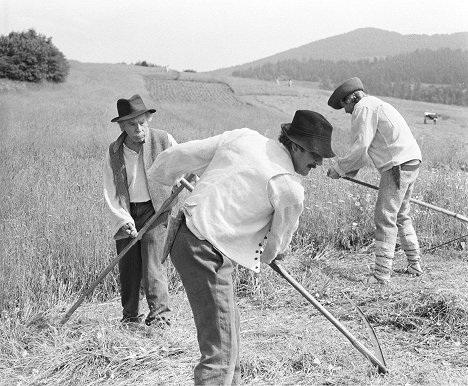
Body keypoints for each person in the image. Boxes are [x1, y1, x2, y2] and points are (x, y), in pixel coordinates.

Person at [148, 110, 335, 385]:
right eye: (314, 153)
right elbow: (277, 244)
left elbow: (185, 154)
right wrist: (272, 254)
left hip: (186, 236)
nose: (319, 161)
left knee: (229, 328)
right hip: (206, 251)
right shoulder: (289, 187)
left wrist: (164, 173)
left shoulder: (244, 138)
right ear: (295, 145)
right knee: (219, 352)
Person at [326, 77, 423, 285]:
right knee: (401, 214)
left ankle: (381, 275)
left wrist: (339, 168)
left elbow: (361, 148)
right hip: (411, 160)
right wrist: (348, 172)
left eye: (344, 105)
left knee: (384, 216)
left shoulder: (363, 108)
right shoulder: (377, 104)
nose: (345, 111)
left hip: (396, 165)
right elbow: (366, 149)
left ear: (351, 98)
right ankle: (414, 264)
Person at [103, 94, 177, 326]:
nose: (138, 129)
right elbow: (110, 190)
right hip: (127, 212)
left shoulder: (163, 140)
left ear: (149, 121)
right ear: (122, 126)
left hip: (157, 209)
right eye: (132, 124)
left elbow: (184, 164)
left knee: (153, 265)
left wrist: (179, 184)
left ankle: (159, 318)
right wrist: (123, 219)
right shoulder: (115, 151)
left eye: (142, 123)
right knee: (128, 267)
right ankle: (130, 318)